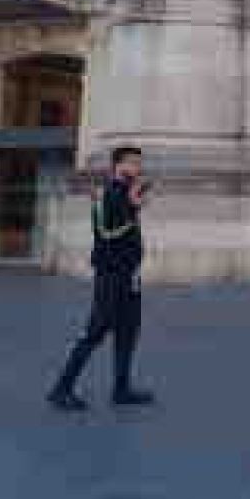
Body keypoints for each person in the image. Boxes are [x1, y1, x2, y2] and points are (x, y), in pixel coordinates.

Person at [48, 146, 155, 411]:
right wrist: (132, 206)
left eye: (139, 163)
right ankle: (61, 388)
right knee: (95, 331)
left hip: (130, 274)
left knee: (128, 331)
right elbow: (107, 233)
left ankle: (121, 388)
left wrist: (133, 203)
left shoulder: (124, 192)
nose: (139, 168)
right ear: (119, 165)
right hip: (111, 275)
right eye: (134, 163)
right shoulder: (109, 192)